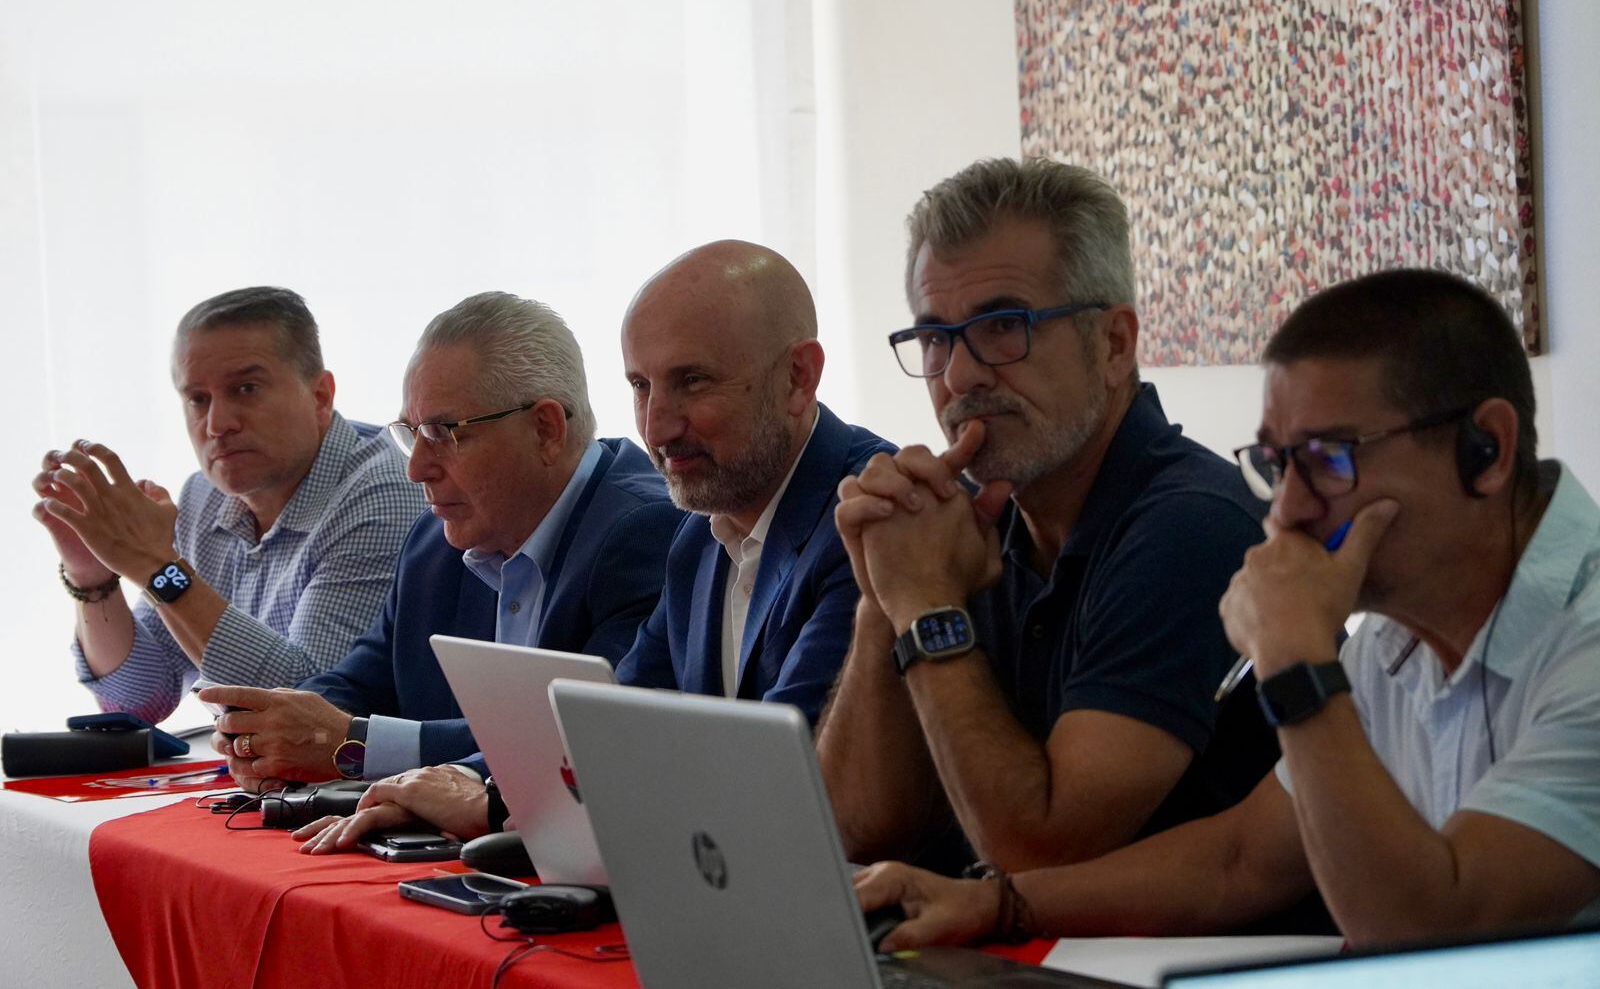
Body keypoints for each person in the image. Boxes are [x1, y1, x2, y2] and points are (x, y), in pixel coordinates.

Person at [855, 269, 1600, 949]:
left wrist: (1300, 664)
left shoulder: (1586, 645)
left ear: (1489, 450)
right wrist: (999, 906)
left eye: (1331, 459)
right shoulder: (1393, 641)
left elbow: (1427, 931)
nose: (1287, 513)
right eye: (1278, 465)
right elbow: (1240, 860)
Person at [292, 240, 893, 852]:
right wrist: (462, 787)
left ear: (799, 377)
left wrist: (492, 803)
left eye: (693, 382)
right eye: (640, 386)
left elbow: (780, 771)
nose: (657, 426)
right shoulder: (701, 532)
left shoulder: (870, 519)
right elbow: (614, 721)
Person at [818, 158, 1278, 876]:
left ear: (1114, 345)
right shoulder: (972, 521)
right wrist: (884, 592)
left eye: (1004, 326)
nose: (959, 377)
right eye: (935, 337)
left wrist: (927, 603)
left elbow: (1040, 848)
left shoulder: (1192, 525)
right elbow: (855, 831)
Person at [199, 293, 681, 787]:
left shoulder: (645, 532)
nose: (416, 468)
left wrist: (350, 745)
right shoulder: (437, 538)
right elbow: (360, 681)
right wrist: (270, 730)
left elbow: (577, 740)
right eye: (411, 434)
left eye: (443, 433)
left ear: (545, 429)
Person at [32, 287, 422, 725]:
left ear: (320, 396)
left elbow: (309, 712)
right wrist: (93, 575)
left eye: (246, 388)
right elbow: (139, 702)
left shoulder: (386, 490)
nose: (217, 424)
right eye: (198, 399)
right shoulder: (204, 495)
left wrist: (156, 566)